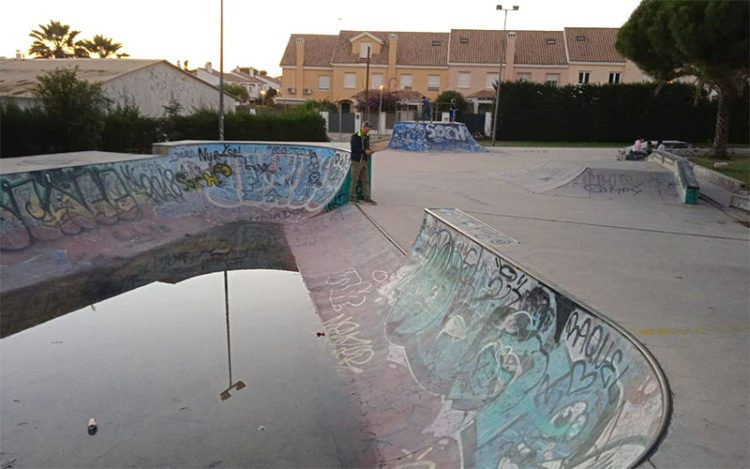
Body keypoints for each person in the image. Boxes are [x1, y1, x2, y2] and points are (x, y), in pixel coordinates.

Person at [350, 121, 376, 205]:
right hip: (357, 161)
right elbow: (354, 149)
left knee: (366, 180)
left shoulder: (366, 137)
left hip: (364, 160)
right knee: (355, 179)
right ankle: (352, 197)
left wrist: (370, 150)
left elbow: (366, 147)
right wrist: (365, 151)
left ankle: (367, 197)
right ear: (363, 127)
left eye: (369, 130)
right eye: (367, 129)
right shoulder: (355, 136)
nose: (368, 131)